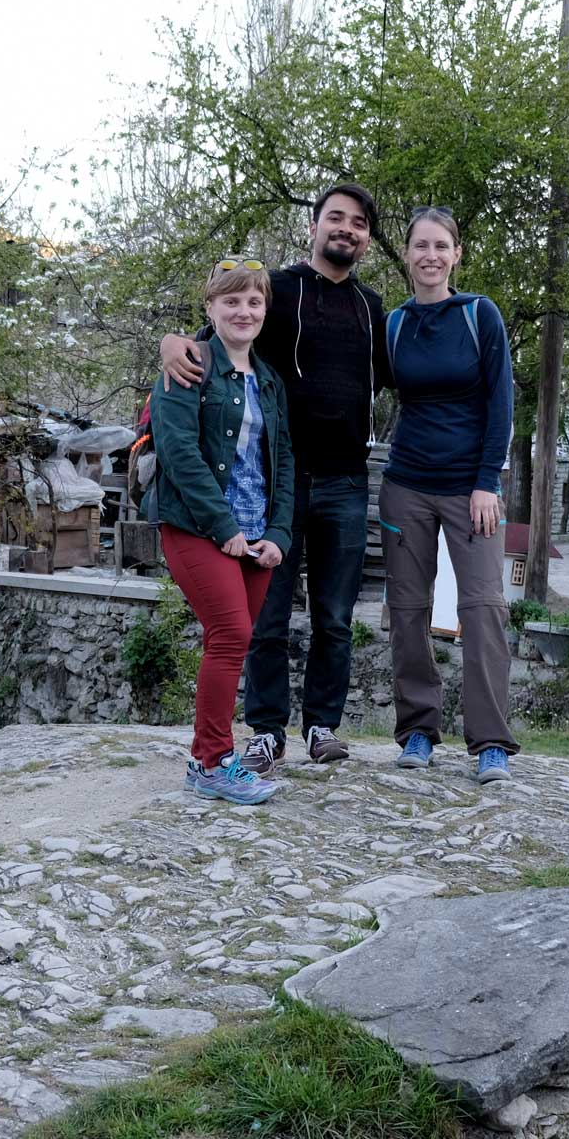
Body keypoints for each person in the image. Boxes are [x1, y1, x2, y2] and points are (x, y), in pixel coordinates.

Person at [159, 185, 389, 775]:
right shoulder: (280, 289)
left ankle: (321, 726)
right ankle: (265, 731)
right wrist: (172, 342)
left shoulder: (372, 307)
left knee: (335, 617)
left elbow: (398, 376)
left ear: (366, 237)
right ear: (313, 226)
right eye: (335, 218)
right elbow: (223, 321)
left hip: (344, 480)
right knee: (266, 618)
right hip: (274, 481)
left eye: (358, 223)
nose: (346, 229)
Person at [379, 207, 517, 784]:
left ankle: (490, 742)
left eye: (441, 246)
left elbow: (502, 400)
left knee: (481, 608)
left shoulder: (478, 315)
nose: (430, 256)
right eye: (420, 246)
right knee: (408, 611)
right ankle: (417, 731)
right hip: (405, 485)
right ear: (406, 254)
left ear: (456, 254)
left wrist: (487, 481)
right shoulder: (393, 325)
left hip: (471, 490)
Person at [150, 258, 293, 805]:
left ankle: (205, 758)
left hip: (257, 534)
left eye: (253, 301)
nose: (244, 311)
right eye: (231, 300)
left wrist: (278, 533)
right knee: (232, 632)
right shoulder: (188, 364)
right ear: (210, 307)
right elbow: (179, 454)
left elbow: (282, 461)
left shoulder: (271, 380)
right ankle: (212, 761)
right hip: (195, 525)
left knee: (231, 641)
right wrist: (223, 526)